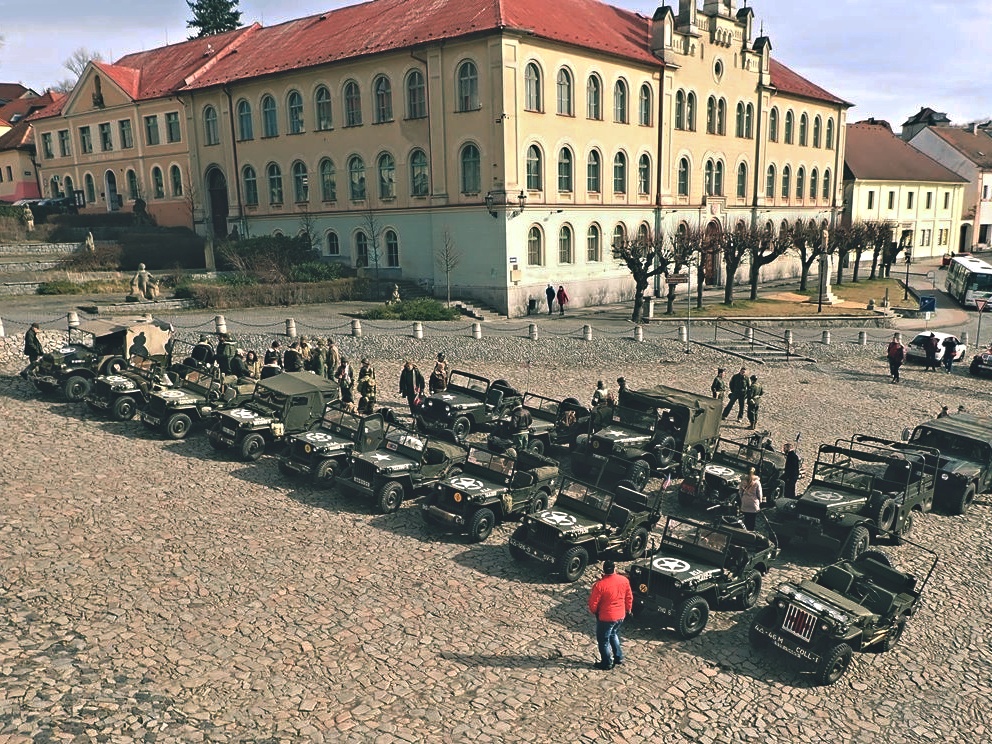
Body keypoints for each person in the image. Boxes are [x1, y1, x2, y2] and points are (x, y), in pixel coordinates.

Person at [587, 560, 632, 671]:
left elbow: (593, 604)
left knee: (603, 640)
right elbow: (629, 597)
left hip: (606, 617)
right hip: (620, 615)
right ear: (614, 568)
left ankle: (607, 662)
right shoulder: (624, 580)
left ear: (603, 570)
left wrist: (595, 612)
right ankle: (618, 657)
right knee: (613, 634)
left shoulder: (599, 585)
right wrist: (628, 609)